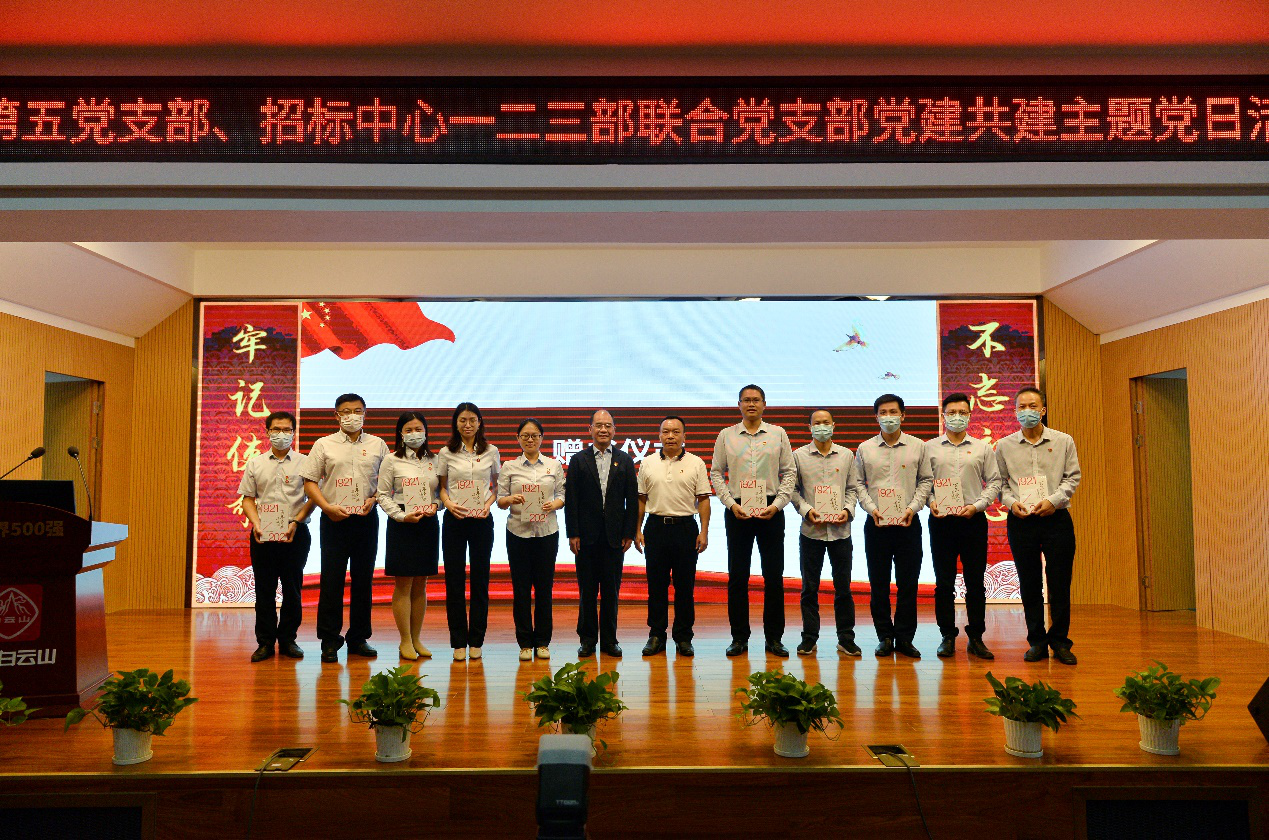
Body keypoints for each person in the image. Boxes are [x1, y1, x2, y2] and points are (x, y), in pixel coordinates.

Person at [301, 393, 389, 664]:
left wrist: (374, 499)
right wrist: (326, 507)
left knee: (363, 580)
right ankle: (329, 640)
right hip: (333, 519)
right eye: (346, 411)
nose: (353, 416)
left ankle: (358, 637)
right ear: (336, 415)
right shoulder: (323, 444)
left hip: (365, 519)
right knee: (332, 580)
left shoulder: (378, 444)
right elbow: (309, 482)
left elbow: (388, 482)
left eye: (358, 411)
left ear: (365, 413)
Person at [996, 387, 1082, 665]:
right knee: (1029, 582)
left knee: (1060, 583)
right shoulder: (1004, 446)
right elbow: (1000, 484)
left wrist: (1054, 501)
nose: (1027, 411)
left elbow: (1072, 477)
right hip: (1021, 520)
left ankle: (1060, 642)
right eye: (1021, 407)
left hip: (1056, 518)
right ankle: (1036, 642)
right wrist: (1011, 503)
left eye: (1032, 406)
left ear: (1043, 410)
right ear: (1015, 412)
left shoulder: (1063, 440)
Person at [709, 384, 796, 658]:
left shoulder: (778, 434)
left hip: (771, 510)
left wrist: (778, 504)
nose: (751, 404)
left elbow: (789, 472)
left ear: (764, 404)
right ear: (738, 405)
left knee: (774, 577)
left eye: (756, 400)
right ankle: (739, 638)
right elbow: (715, 473)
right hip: (738, 510)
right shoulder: (726, 435)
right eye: (746, 400)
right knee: (738, 577)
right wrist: (730, 504)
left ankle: (774, 639)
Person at [922, 393, 1002, 661]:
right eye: (952, 412)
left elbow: (994, 481)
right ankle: (947, 635)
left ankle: (976, 637)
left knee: (975, 582)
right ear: (943, 415)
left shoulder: (982, 448)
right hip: (941, 521)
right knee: (944, 583)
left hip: (972, 520)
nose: (957, 417)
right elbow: (923, 482)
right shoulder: (929, 448)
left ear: (969, 415)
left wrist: (978, 505)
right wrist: (931, 502)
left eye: (962, 412)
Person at [855, 393, 933, 659]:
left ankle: (905, 638)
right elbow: (857, 484)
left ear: (903, 415)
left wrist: (913, 508)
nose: (888, 417)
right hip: (876, 523)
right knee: (878, 584)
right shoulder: (865, 448)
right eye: (883, 412)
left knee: (908, 584)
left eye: (893, 412)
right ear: (876, 417)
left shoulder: (918, 446)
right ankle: (885, 637)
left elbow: (926, 480)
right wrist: (871, 509)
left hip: (908, 523)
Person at [238, 410, 316, 662]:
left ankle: (288, 640)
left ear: (293, 433)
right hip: (263, 534)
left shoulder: (306, 462)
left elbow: (313, 498)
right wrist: (256, 523)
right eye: (276, 430)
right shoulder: (256, 463)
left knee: (292, 589)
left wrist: (297, 520)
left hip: (296, 533)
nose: (281, 434)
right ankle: (265, 642)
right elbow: (247, 499)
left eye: (286, 430)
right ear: (267, 432)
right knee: (264, 590)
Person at [633, 416, 712, 658]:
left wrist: (704, 531)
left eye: (676, 432)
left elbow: (703, 499)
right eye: (666, 432)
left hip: (685, 528)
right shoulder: (647, 463)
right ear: (659, 436)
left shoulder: (696, 463)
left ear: (684, 436)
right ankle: (656, 635)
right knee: (656, 586)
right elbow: (641, 499)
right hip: (655, 527)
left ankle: (683, 637)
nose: (670, 436)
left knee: (684, 587)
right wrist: (637, 530)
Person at [564, 410, 638, 659]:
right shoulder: (578, 460)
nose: (603, 430)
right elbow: (572, 499)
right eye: (598, 425)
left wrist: (629, 532)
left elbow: (632, 500)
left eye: (608, 425)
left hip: (614, 538)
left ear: (614, 430)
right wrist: (573, 533)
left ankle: (609, 640)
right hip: (585, 538)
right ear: (590, 430)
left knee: (610, 592)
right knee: (587, 591)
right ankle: (587, 640)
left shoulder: (625, 460)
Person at [790, 409, 863, 657]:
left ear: (834, 425)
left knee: (843, 588)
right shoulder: (798, 456)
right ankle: (809, 638)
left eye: (826, 423)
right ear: (809, 428)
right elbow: (792, 490)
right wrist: (805, 509)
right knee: (809, 589)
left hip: (841, 532)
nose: (822, 427)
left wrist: (847, 510)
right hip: (811, 531)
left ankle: (846, 638)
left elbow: (852, 488)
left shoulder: (847, 455)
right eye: (817, 423)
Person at [496, 418, 566, 662]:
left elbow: (562, 494)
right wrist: (511, 499)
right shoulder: (509, 466)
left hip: (547, 532)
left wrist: (554, 504)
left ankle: (543, 642)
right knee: (521, 589)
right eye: (525, 435)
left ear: (542, 438)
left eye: (534, 435)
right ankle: (525, 643)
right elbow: (500, 500)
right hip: (518, 532)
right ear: (518, 439)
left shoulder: (553, 465)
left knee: (545, 589)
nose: (530, 439)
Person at [437, 402, 500, 662]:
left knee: (480, 580)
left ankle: (476, 640)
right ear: (456, 423)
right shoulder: (446, 452)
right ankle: (458, 641)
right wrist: (448, 504)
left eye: (472, 419)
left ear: (480, 422)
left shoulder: (491, 451)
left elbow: (497, 486)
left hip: (481, 520)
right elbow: (441, 487)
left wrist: (487, 505)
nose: (468, 424)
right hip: (455, 520)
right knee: (454, 581)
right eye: (463, 420)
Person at [376, 412, 440, 661]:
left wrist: (435, 506)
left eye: (419, 429)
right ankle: (404, 640)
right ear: (401, 434)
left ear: (426, 431)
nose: (415, 434)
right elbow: (382, 495)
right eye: (409, 430)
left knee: (421, 583)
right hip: (402, 522)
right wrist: (401, 516)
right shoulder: (391, 460)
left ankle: (416, 638)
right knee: (404, 583)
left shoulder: (435, 459)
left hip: (427, 522)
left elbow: (440, 493)